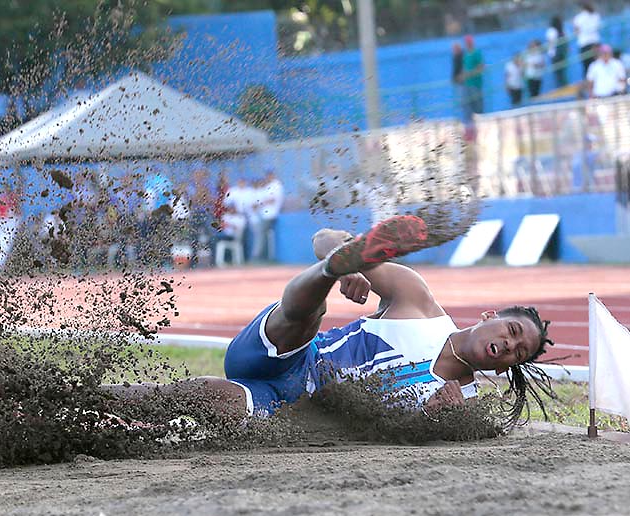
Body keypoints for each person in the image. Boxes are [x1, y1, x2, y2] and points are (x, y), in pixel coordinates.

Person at [105, 215, 555, 426]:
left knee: (206, 397)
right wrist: (347, 262)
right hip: (289, 354)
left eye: (518, 353)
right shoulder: (416, 300)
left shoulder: (464, 406)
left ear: (504, 368)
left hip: (290, 410)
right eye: (512, 332)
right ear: (490, 317)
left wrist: (434, 427)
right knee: (311, 311)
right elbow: (323, 237)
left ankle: (80, 403)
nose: (509, 346)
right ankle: (330, 273)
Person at [251, 170, 284, 262]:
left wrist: (259, 204)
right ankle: (262, 256)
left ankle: (257, 256)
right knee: (262, 234)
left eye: (269, 175)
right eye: (267, 175)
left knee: (260, 234)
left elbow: (272, 199)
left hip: (270, 214)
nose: (268, 177)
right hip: (266, 214)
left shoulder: (276, 185)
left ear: (272, 175)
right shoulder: (270, 185)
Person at [573, 3, 602, 78]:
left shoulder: (578, 18)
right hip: (596, 44)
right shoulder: (596, 15)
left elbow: (576, 32)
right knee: (598, 65)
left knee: (587, 69)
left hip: (584, 44)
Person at [461, 35, 485, 121]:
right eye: (466, 42)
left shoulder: (476, 53)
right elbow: (465, 68)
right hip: (467, 84)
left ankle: (481, 123)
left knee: (478, 106)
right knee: (466, 106)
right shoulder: (466, 54)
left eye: (469, 42)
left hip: (475, 84)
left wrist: (469, 74)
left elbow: (481, 68)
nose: (467, 44)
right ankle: (469, 127)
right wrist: (463, 76)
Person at [546, 16, 568, 88]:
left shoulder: (551, 30)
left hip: (555, 54)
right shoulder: (562, 30)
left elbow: (550, 42)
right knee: (561, 71)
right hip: (561, 53)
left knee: (558, 72)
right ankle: (563, 86)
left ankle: (561, 87)